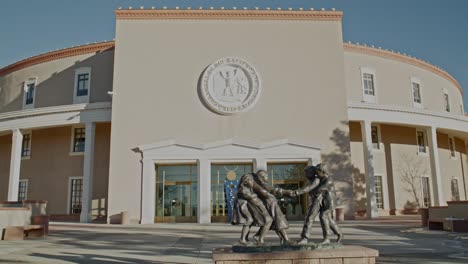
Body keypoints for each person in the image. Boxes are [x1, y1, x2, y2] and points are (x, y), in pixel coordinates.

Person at [292, 164, 343, 244]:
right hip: (321, 200)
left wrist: (303, 192)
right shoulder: (317, 179)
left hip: (328, 202)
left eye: (317, 172)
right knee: (328, 219)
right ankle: (338, 233)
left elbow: (320, 189)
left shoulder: (328, 179)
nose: (316, 174)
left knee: (322, 217)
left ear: (322, 171)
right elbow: (309, 188)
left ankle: (326, 238)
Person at [251, 170, 293, 244]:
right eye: (266, 176)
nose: (268, 177)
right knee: (279, 220)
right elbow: (274, 189)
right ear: (262, 177)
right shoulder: (262, 185)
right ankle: (285, 239)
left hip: (271, 204)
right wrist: (286, 192)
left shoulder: (261, 184)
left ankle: (284, 239)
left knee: (277, 222)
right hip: (270, 204)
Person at [231, 173, 272, 245]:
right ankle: (244, 239)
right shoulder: (242, 190)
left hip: (251, 208)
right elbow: (250, 196)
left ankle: (245, 239)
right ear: (245, 182)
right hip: (244, 209)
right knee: (249, 221)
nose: (252, 182)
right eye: (251, 180)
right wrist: (257, 194)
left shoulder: (248, 189)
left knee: (250, 221)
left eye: (252, 180)